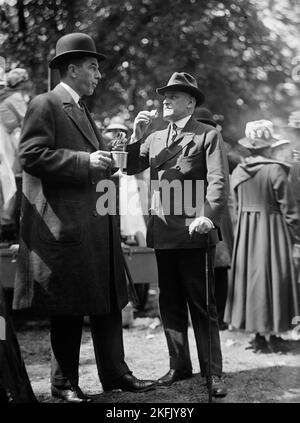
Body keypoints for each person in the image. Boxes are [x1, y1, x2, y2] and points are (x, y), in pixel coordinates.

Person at [12, 32, 155, 402]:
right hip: (66, 228)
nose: (98, 74)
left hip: (94, 227)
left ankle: (116, 374)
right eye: (92, 67)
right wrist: (84, 161)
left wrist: (136, 140)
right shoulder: (45, 103)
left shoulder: (81, 109)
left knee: (108, 301)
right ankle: (63, 385)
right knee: (68, 308)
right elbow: (29, 155)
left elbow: (112, 165)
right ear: (72, 69)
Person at [125, 72, 229, 397]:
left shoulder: (207, 136)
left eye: (173, 95)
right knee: (169, 303)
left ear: (190, 102)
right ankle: (179, 365)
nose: (165, 100)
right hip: (164, 232)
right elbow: (129, 168)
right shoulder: (154, 136)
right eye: (165, 95)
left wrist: (208, 217)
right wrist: (135, 133)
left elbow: (218, 181)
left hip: (195, 231)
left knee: (202, 305)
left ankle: (213, 374)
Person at [224, 120, 300, 353]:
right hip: (273, 229)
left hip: (247, 232)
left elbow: (235, 207)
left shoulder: (238, 170)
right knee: (275, 277)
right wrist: (296, 235)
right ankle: (273, 334)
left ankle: (258, 335)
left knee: (252, 279)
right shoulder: (276, 169)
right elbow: (290, 210)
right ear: (270, 146)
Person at [0, 68, 33, 241]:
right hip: (3, 141)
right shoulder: (15, 98)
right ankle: (6, 226)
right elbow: (30, 120)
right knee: (9, 183)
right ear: (22, 83)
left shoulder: (6, 96)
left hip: (6, 138)